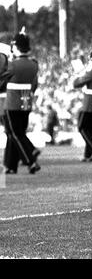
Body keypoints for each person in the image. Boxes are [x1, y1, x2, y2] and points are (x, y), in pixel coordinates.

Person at [0, 27, 40, 174]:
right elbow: (35, 85)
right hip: (26, 102)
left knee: (13, 132)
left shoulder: (13, 64)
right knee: (16, 133)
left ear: (15, 47)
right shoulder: (34, 64)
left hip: (12, 103)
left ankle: (31, 152)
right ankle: (11, 165)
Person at [73, 51, 92, 162]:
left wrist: (80, 72)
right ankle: (87, 154)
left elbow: (76, 83)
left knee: (82, 127)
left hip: (89, 103)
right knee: (91, 129)